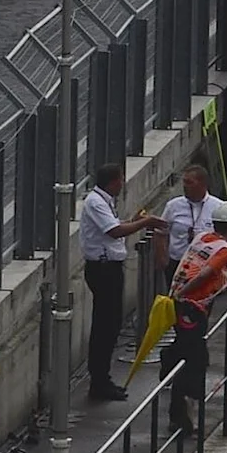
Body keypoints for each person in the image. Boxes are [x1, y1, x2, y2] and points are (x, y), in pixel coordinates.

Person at [77, 162, 148, 400]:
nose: (123, 184)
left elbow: (115, 227)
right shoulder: (96, 203)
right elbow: (114, 231)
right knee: (105, 326)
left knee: (111, 325)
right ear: (113, 181)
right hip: (103, 270)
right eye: (121, 179)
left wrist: (133, 220)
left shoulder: (105, 202)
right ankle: (99, 381)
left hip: (110, 269)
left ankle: (102, 378)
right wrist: (144, 223)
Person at [163, 208, 227, 394]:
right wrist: (183, 292)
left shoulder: (202, 238)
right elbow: (204, 275)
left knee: (187, 343)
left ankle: (171, 360)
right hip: (192, 306)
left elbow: (223, 274)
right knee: (195, 354)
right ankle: (186, 396)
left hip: (180, 300)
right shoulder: (225, 250)